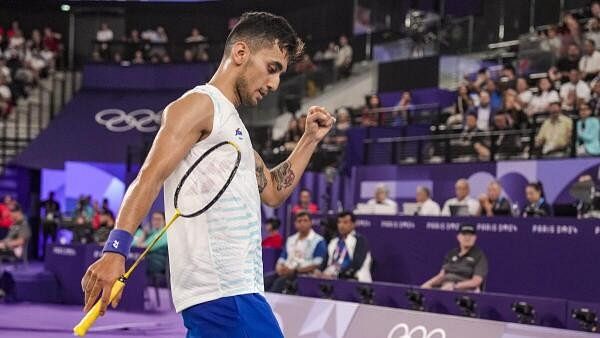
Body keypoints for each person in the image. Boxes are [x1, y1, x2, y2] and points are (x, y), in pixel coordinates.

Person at [81, 12, 334, 338]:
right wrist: (115, 250)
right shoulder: (199, 105)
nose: (274, 84)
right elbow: (149, 177)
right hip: (224, 292)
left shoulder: (234, 129)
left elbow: (272, 190)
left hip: (234, 291)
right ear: (241, 53)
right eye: (272, 68)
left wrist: (309, 139)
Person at [264, 212, 326, 293]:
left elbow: (317, 263)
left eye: (305, 220)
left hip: (302, 273)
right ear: (295, 224)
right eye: (299, 221)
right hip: (286, 271)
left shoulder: (318, 240)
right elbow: (283, 257)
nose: (302, 223)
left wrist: (295, 271)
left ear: (311, 222)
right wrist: (279, 267)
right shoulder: (291, 239)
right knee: (264, 281)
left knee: (278, 284)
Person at [421, 223, 488, 292]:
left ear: (475, 238)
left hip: (465, 291)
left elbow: (476, 281)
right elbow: (441, 275)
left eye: (470, 235)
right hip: (445, 287)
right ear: (458, 237)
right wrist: (427, 285)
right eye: (464, 234)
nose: (467, 238)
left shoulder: (479, 255)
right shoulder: (452, 253)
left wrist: (454, 286)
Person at [317, 211, 372, 282]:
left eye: (345, 222)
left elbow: (356, 264)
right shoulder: (334, 241)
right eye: (339, 222)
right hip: (331, 278)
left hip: (354, 279)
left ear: (353, 224)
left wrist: (337, 275)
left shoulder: (360, 240)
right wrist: (319, 271)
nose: (341, 225)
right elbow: (325, 261)